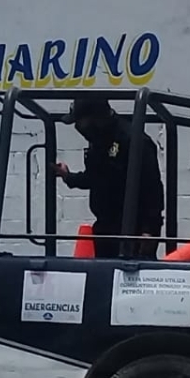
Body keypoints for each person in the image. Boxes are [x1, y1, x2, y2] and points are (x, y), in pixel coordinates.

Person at [53, 97, 164, 259]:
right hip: (106, 226)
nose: (79, 128)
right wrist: (68, 176)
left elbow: (153, 189)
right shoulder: (99, 140)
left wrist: (149, 230)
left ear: (96, 119)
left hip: (133, 229)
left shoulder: (133, 140)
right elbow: (97, 178)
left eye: (80, 122)